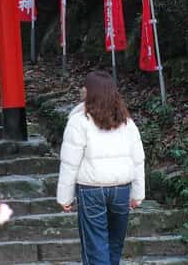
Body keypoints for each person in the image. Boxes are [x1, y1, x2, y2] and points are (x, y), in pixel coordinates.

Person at [56, 71, 145, 265]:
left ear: (88, 92)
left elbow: (70, 163)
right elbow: (138, 159)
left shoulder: (78, 121)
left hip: (91, 190)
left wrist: (65, 197)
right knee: (114, 245)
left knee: (95, 246)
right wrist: (138, 194)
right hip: (122, 189)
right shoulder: (127, 122)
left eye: (84, 88)